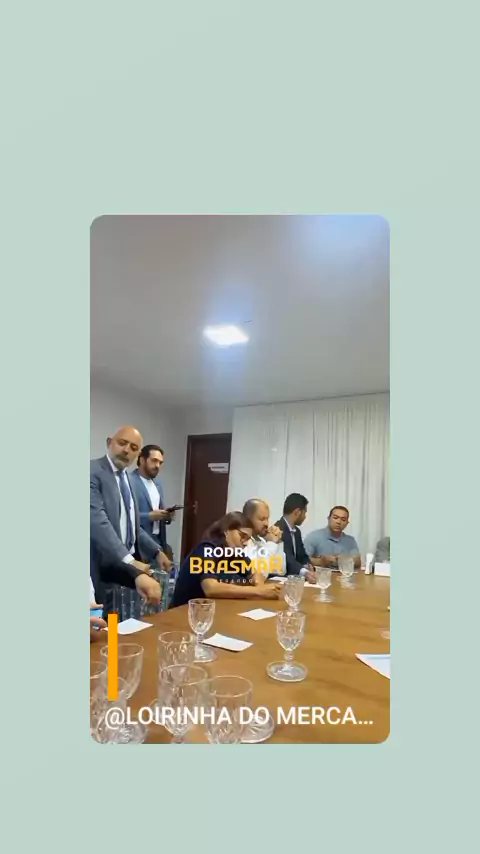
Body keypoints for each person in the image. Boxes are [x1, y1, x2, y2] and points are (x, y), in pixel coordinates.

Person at [90, 425, 166, 616]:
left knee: (120, 622)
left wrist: (156, 551)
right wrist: (130, 561)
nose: (126, 450)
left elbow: (133, 525)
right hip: (101, 568)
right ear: (109, 442)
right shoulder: (91, 471)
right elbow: (97, 521)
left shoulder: (130, 480)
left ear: (137, 454)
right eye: (122, 443)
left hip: (124, 573)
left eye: (133, 448)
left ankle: (115, 636)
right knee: (99, 625)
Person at [170, 511, 283, 608]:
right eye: (242, 536)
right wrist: (259, 591)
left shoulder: (234, 553)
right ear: (226, 531)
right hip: (183, 613)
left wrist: (259, 584)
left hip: (211, 611)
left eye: (248, 539)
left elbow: (255, 572)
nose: (245, 543)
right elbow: (211, 588)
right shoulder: (207, 549)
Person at [130, 444, 175, 565]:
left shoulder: (157, 484)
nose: (157, 466)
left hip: (158, 542)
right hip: (139, 544)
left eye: (160, 463)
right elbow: (125, 516)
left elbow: (158, 511)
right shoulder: (129, 481)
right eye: (154, 461)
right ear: (142, 460)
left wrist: (166, 516)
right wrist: (149, 516)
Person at [275, 494, 317, 583]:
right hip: (281, 580)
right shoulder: (278, 530)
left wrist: (309, 566)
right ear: (297, 512)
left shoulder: (297, 531)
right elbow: (287, 558)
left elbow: (302, 556)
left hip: (296, 580)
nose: (305, 517)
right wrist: (305, 572)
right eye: (305, 513)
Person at [242, 498, 286, 577]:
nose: (266, 523)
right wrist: (272, 543)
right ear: (248, 519)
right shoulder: (243, 543)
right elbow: (259, 574)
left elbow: (280, 571)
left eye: (267, 519)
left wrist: (277, 542)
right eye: (262, 519)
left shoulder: (262, 541)